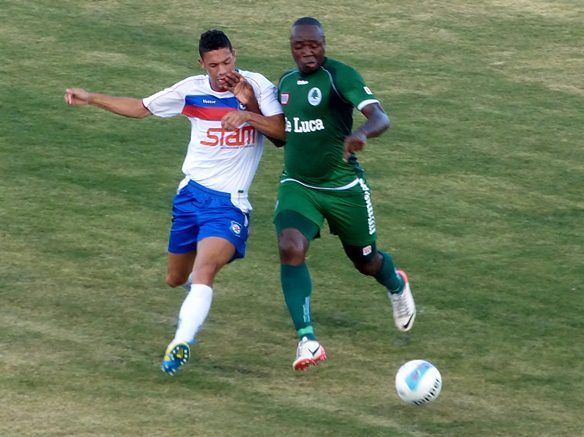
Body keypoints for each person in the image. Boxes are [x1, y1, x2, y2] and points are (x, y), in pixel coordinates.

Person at [65, 30, 285, 375]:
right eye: (214, 65)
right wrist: (91, 97)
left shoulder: (257, 85)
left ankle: (181, 341)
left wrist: (248, 109)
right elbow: (140, 108)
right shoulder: (190, 91)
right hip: (190, 198)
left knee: (204, 271)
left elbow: (281, 133)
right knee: (174, 278)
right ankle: (194, 291)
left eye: (227, 61)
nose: (222, 69)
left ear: (235, 55)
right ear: (202, 64)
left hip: (228, 204)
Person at [274, 17, 416, 371]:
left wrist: (363, 134)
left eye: (314, 44)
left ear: (324, 42)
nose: (308, 52)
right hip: (299, 185)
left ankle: (396, 283)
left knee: (366, 262)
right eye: (299, 46)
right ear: (291, 47)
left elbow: (380, 116)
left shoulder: (340, 76)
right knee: (290, 246)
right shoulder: (286, 83)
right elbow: (282, 134)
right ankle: (307, 341)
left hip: (343, 188)